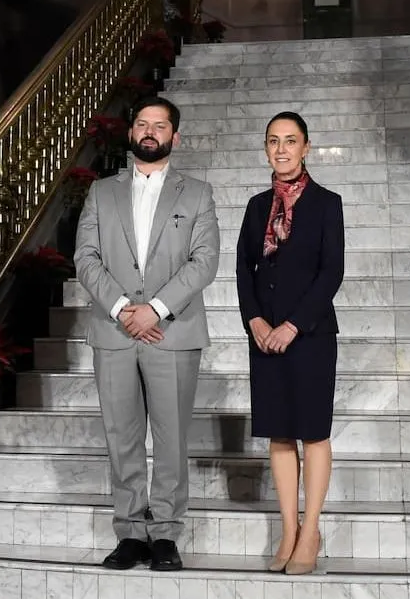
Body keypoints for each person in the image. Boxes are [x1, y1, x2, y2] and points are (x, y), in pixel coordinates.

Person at [73, 96, 221, 572]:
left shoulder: (196, 193)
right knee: (122, 436)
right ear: (131, 133)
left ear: (175, 137)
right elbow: (86, 258)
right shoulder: (101, 192)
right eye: (142, 123)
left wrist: (155, 310)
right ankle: (131, 532)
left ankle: (166, 534)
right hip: (114, 332)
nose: (150, 131)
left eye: (160, 125)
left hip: (172, 333)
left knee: (171, 435)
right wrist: (122, 309)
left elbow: (205, 261)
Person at [235, 111, 344, 575]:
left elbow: (331, 272)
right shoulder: (258, 206)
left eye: (290, 141)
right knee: (279, 433)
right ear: (266, 149)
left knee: (313, 432)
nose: (281, 149)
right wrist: (256, 321)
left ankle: (312, 529)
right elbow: (244, 270)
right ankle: (288, 528)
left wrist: (292, 325)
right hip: (265, 338)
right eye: (273, 141)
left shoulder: (326, 203)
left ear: (306, 147)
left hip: (311, 335)